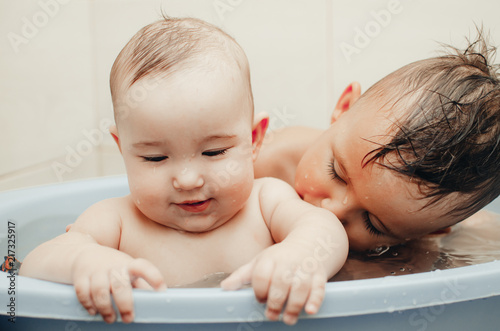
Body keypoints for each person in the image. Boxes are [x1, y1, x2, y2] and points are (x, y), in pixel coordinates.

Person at [18, 17, 348, 326]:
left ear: (254, 139)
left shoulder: (267, 202)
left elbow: (324, 228)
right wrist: (84, 262)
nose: (188, 180)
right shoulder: (117, 220)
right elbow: (33, 265)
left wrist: (300, 255)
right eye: (155, 158)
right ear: (123, 149)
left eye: (214, 152)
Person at [255, 31, 500, 252]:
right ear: (343, 109)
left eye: (371, 224)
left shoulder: (415, 223)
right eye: (336, 173)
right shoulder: (263, 164)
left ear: (426, 234)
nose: (332, 211)